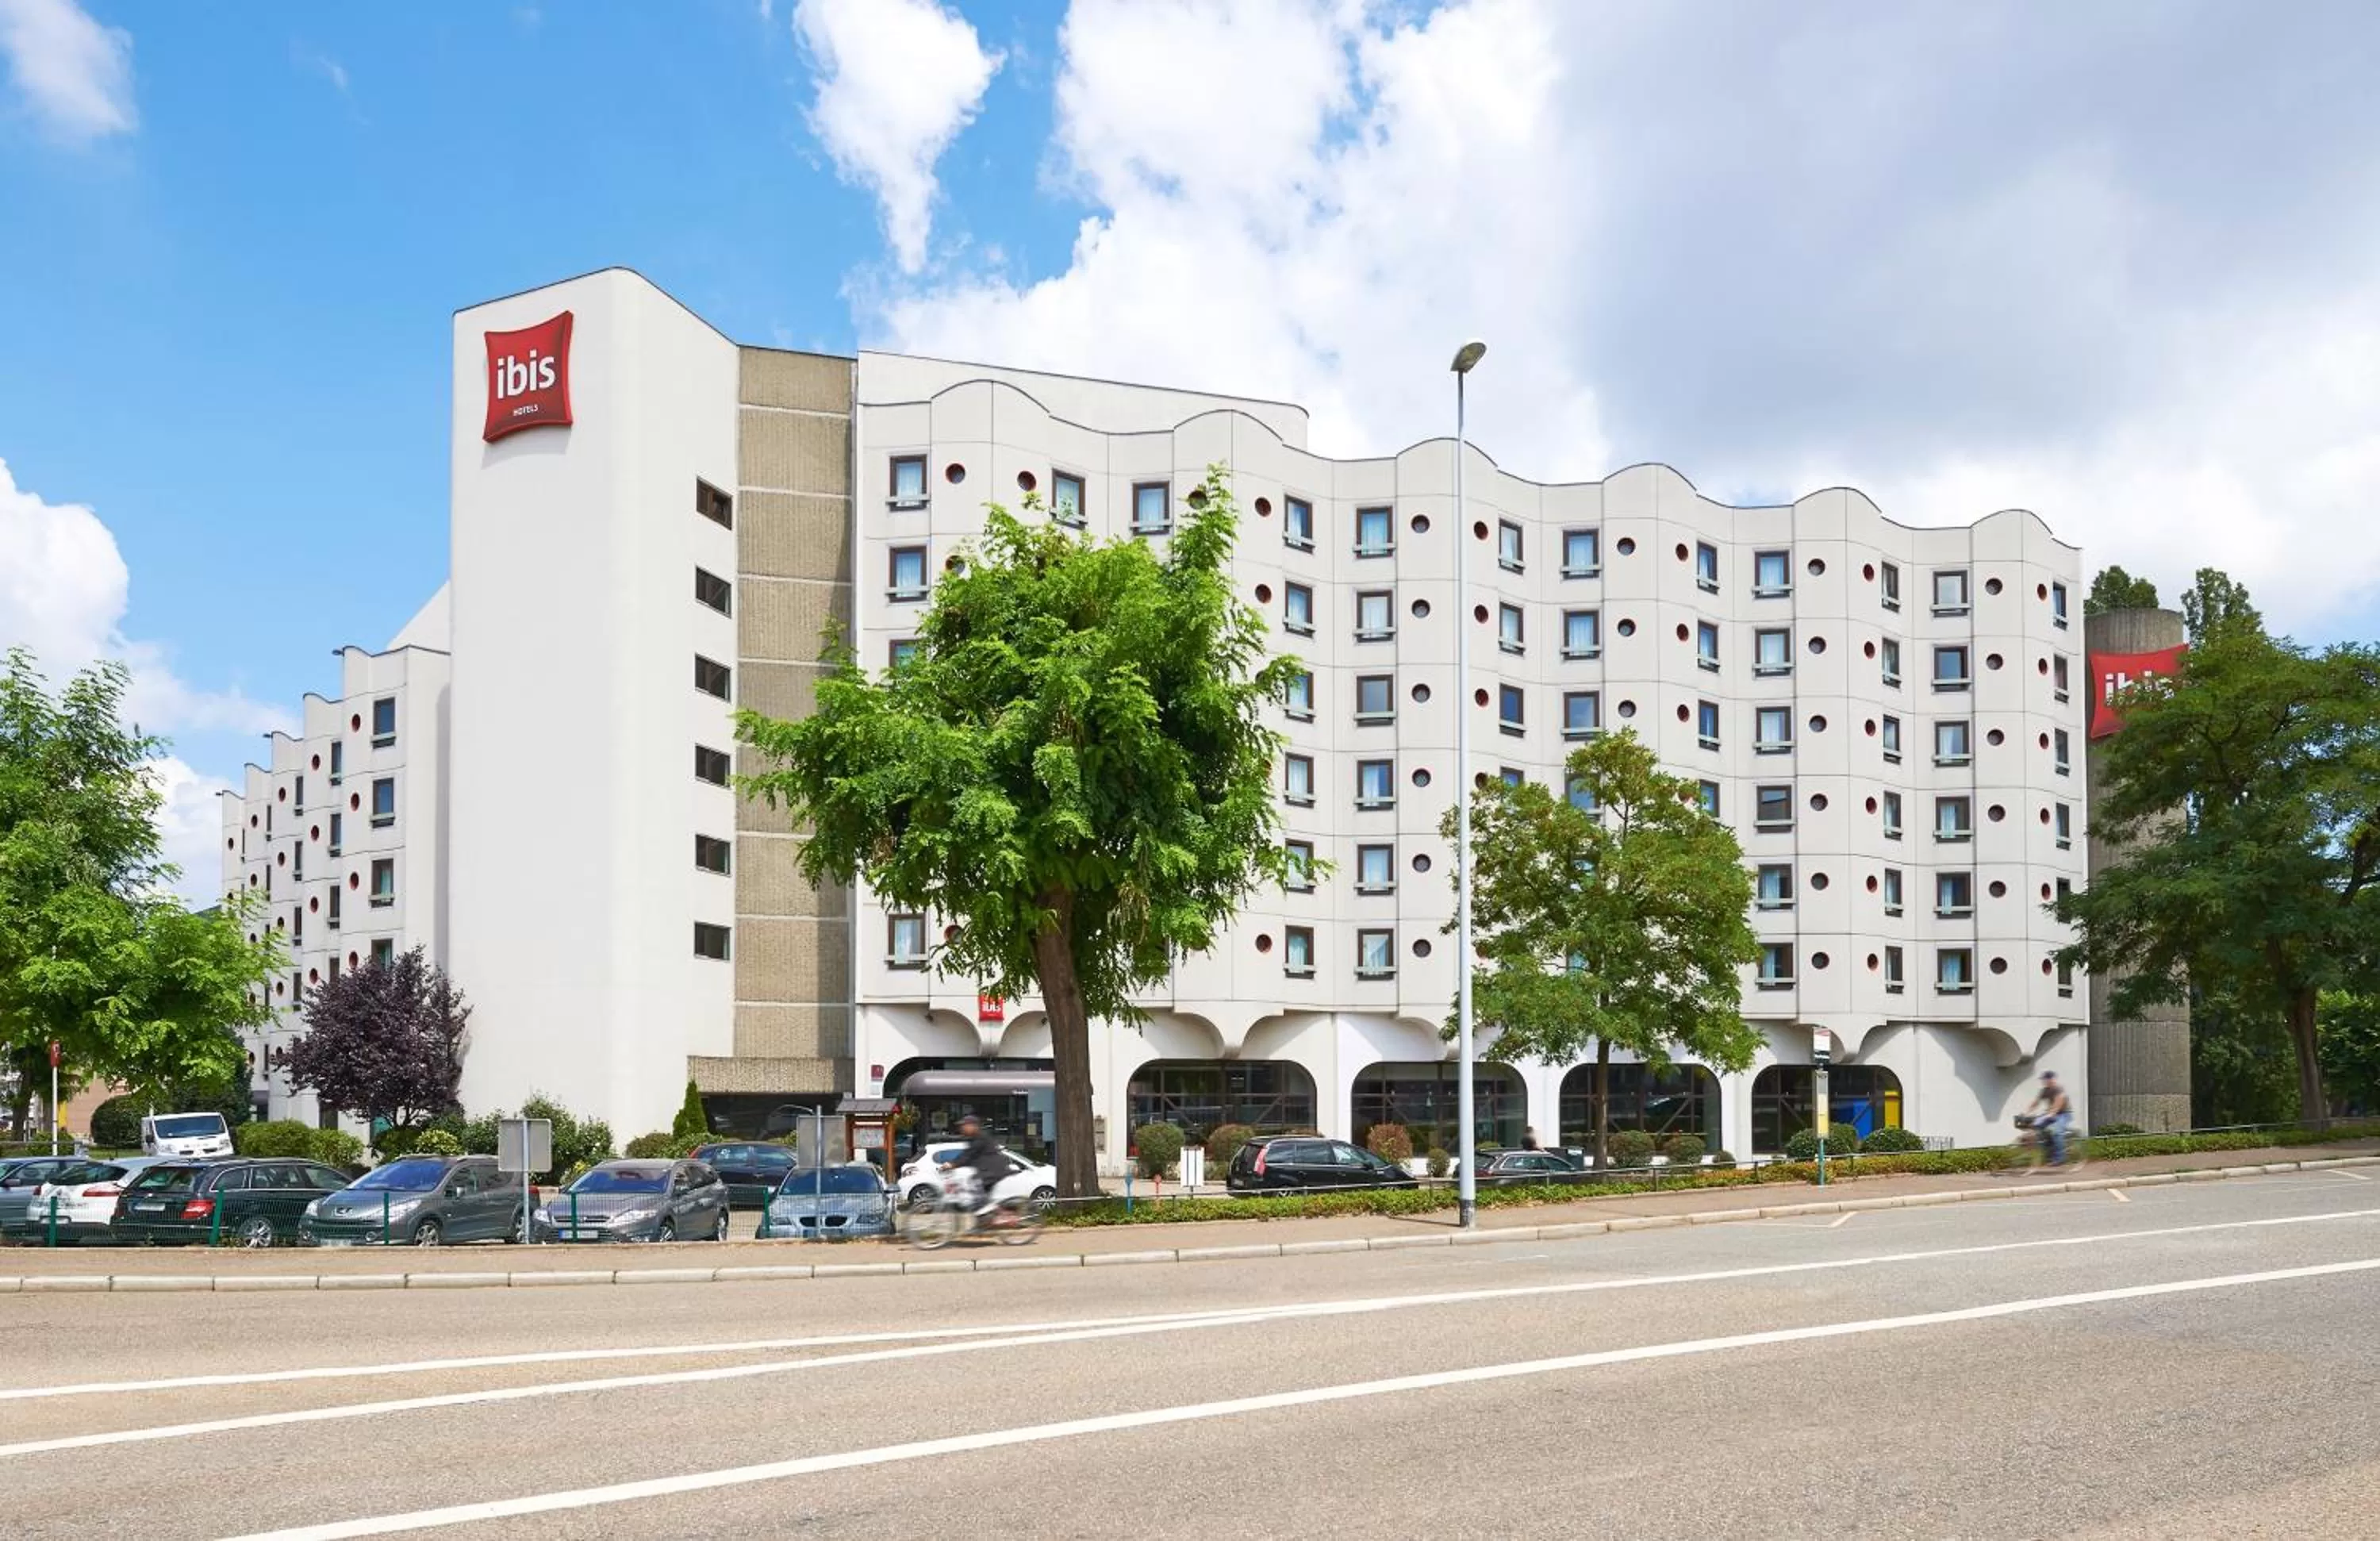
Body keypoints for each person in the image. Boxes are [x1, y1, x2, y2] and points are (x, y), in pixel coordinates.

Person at [950, 1114, 1019, 1217]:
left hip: (992, 1171)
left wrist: (952, 1164)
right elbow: (968, 1157)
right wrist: (955, 1164)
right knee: (977, 1197)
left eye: (965, 1126)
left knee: (976, 1189)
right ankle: (986, 1217)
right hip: (986, 1171)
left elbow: (968, 1155)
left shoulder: (980, 1138)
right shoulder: (974, 1138)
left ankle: (997, 1215)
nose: (962, 1128)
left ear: (973, 1126)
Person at [2027, 1071, 2074, 1164]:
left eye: (2045, 1079)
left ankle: (2060, 1158)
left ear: (2051, 1079)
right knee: (2037, 1126)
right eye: (2043, 1080)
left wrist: (2051, 1114)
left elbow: (2059, 1102)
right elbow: (2036, 1103)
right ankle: (2050, 1151)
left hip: (2064, 1114)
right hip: (2051, 1114)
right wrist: (2027, 1113)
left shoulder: (2059, 1089)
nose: (2043, 1081)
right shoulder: (2044, 1091)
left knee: (2056, 1132)